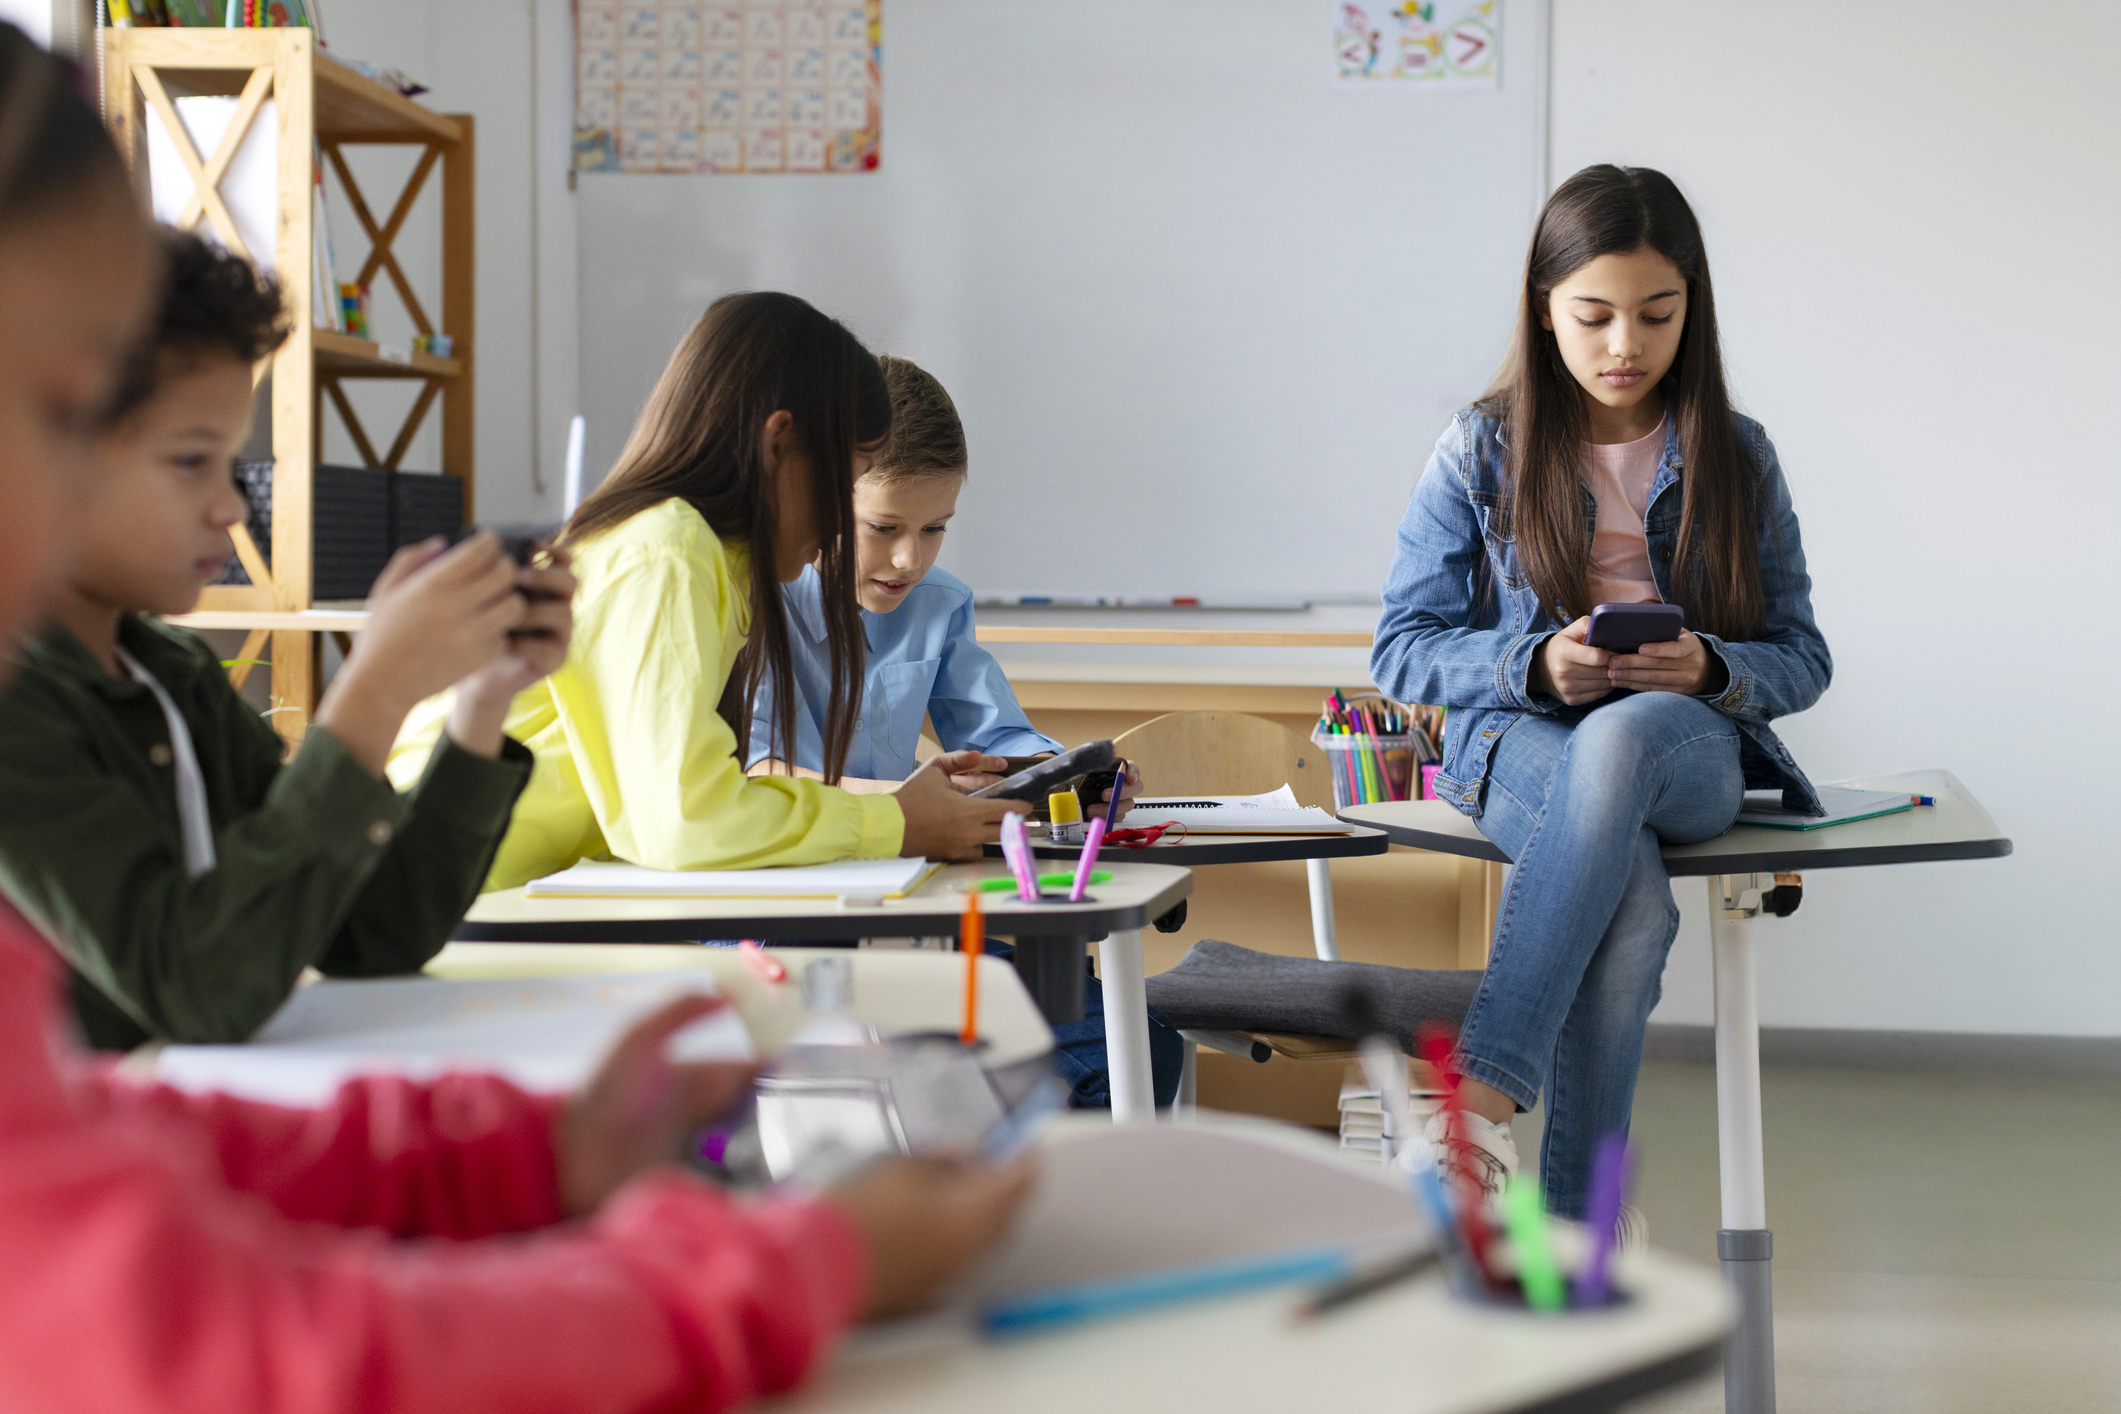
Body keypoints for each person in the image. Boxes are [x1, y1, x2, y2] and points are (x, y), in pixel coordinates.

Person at [0, 28, 1030, 1411]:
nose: (232, 508)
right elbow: (197, 1041)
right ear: (784, 447)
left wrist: (523, 1153)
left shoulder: (166, 681)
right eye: (80, 413)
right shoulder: (673, 548)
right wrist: (789, 1264)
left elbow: (310, 972)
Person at [1369, 165, 1831, 1220]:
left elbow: (1801, 654)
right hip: (1520, 738)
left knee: (1620, 744)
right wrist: (1531, 664)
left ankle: (1474, 1104)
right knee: (1628, 910)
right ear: (1545, 310)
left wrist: (1712, 667)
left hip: (1683, 746)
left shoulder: (1738, 455)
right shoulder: (1480, 448)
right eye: (1595, 315)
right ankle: (1580, 1245)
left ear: (1690, 312)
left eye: (1656, 316)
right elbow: (1401, 649)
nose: (1626, 344)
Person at [0, 228, 568, 1048]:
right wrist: (369, 695)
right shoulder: (17, 696)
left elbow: (373, 933)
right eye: (191, 462)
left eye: (232, 465)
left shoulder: (171, 674)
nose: (231, 508)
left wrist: (482, 701)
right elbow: (192, 988)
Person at [389, 296, 1023, 888]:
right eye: (847, 484)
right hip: (453, 902)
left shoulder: (713, 559)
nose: (838, 524)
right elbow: (684, 819)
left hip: (520, 889)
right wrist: (897, 823)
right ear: (779, 446)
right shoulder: (670, 550)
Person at [746, 354, 1181, 1108]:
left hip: (912, 916)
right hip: (779, 922)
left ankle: (1029, 1216)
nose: (909, 558)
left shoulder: (936, 602)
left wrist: (1068, 775)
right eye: (883, 528)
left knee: (1137, 1048)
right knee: (894, 1081)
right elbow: (758, 773)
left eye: (934, 529)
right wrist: (905, 805)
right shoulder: (755, 597)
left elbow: (1000, 734)